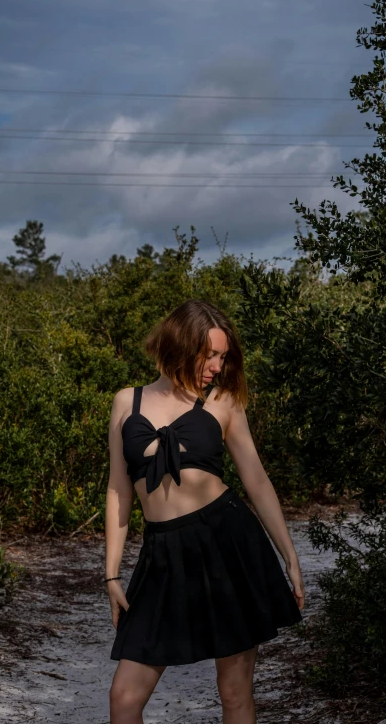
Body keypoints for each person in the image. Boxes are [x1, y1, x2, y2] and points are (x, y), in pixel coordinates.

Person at [105, 299, 305, 724]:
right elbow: (118, 489)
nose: (216, 366)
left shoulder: (224, 401)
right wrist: (111, 572)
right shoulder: (127, 401)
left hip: (227, 543)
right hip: (162, 555)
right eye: (208, 354)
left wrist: (289, 555)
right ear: (180, 344)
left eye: (222, 356)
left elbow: (257, 481)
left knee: (233, 693)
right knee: (123, 698)